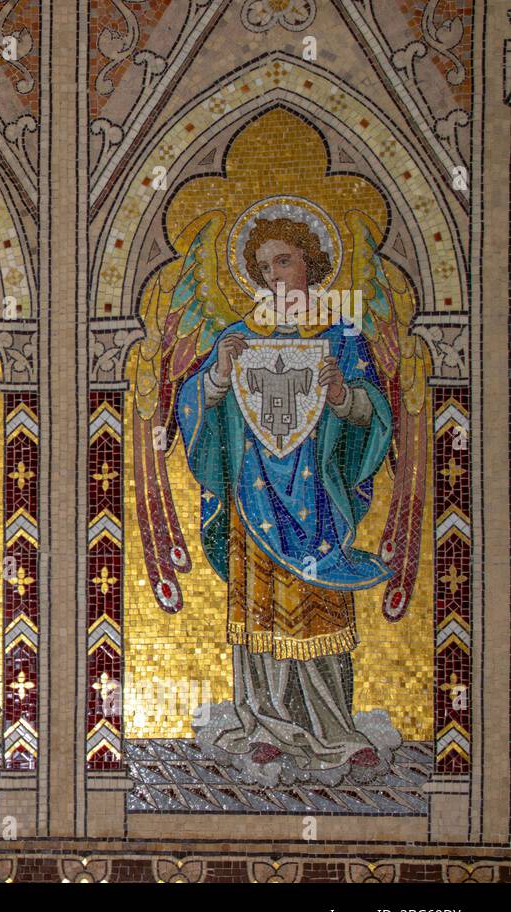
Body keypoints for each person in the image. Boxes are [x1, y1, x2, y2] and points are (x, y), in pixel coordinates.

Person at [177, 217, 392, 771]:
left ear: (311, 264)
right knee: (261, 608)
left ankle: (333, 728)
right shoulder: (239, 334)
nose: (274, 276)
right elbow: (197, 404)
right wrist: (219, 374)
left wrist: (344, 396)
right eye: (265, 266)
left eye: (285, 261)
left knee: (319, 603)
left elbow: (374, 413)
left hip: (316, 492)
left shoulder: (341, 336)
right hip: (254, 492)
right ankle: (263, 721)